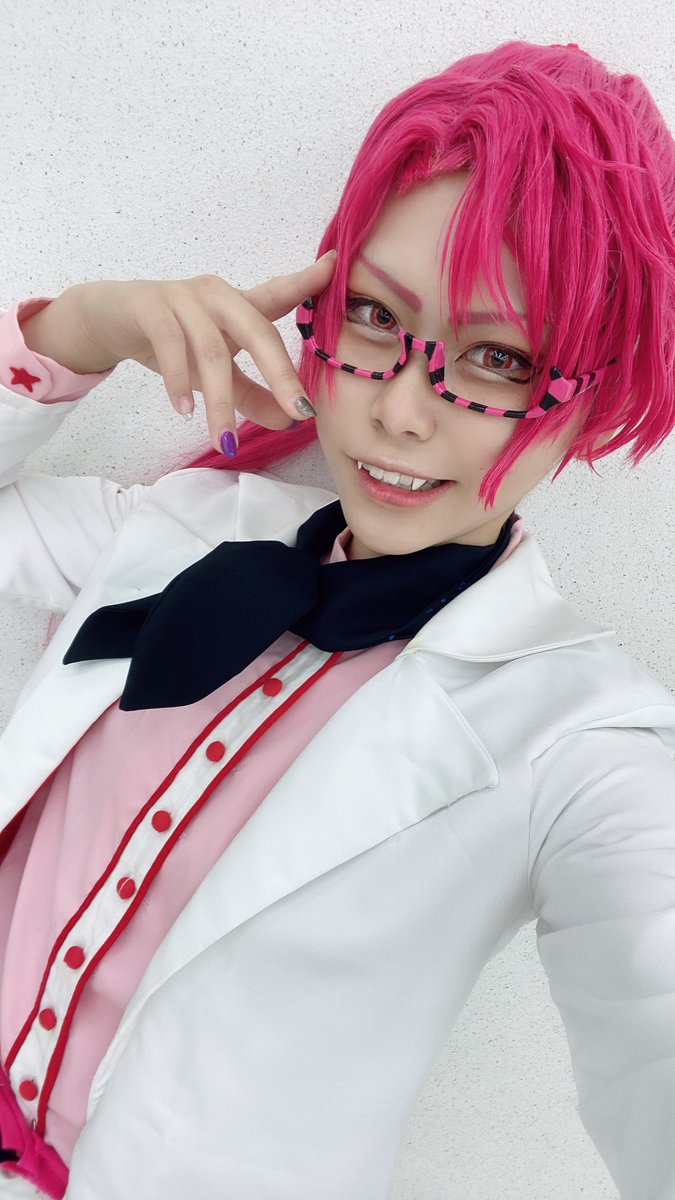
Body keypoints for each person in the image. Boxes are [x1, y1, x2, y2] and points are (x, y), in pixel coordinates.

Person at [0, 37, 674, 1200]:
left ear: (594, 394)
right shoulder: (183, 527)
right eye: (371, 314)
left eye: (499, 357)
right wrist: (81, 332)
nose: (401, 411)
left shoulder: (582, 745)